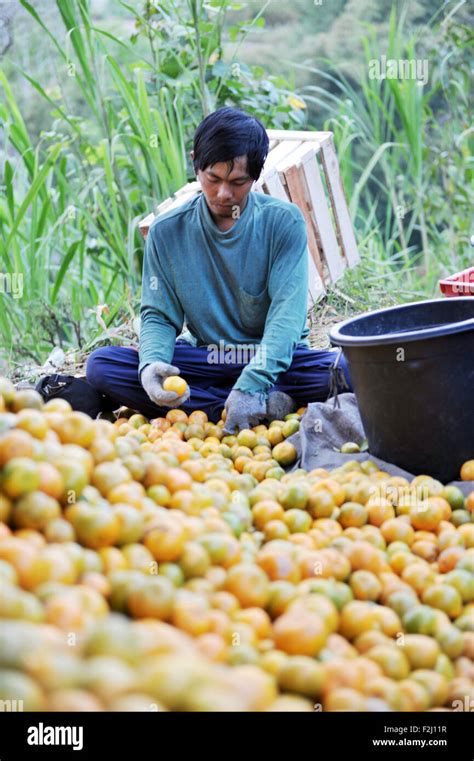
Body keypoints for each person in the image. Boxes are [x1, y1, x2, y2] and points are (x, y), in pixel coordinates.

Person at [86, 107, 352, 432]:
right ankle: (247, 406)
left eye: (238, 182)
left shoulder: (283, 222)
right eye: (213, 179)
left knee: (352, 369)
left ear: (256, 175)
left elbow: (287, 316)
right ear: (195, 162)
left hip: (274, 358)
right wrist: (152, 363)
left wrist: (253, 380)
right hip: (209, 359)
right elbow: (159, 315)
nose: (224, 194)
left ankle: (241, 398)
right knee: (103, 366)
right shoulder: (166, 232)